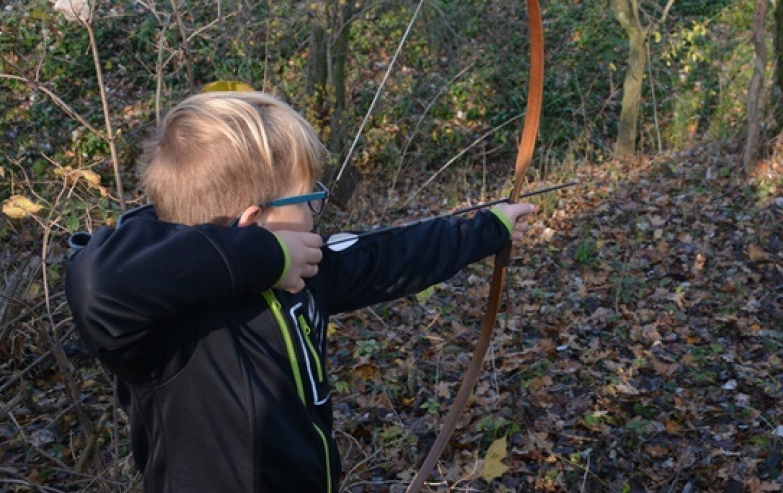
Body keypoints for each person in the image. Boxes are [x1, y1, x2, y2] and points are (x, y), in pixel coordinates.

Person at [65, 91, 535, 493]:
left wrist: (488, 229)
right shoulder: (165, 328)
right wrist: (269, 257)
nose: (316, 208)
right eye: (308, 197)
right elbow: (98, 280)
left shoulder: (309, 269)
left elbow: (388, 254)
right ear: (252, 223)